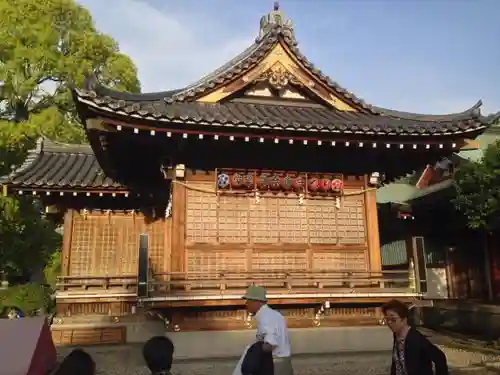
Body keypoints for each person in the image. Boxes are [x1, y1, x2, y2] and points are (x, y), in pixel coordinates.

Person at [382, 299, 448, 375]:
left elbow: (439, 357)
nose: (389, 323)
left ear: (404, 319)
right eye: (387, 319)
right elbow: (397, 363)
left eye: (393, 319)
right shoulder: (397, 335)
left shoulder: (416, 338)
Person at [242, 285, 293, 375]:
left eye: (248, 301)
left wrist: (253, 350)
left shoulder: (266, 318)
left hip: (275, 365)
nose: (246, 303)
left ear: (257, 302)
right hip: (284, 362)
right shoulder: (273, 314)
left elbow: (270, 345)